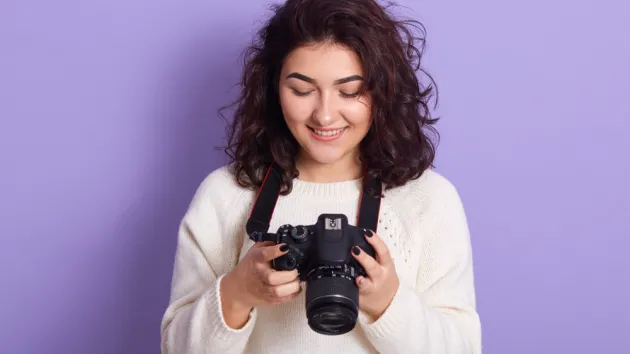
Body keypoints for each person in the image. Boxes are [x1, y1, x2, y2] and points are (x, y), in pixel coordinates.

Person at [160, 0, 481, 353]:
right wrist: (238, 291)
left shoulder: (429, 200)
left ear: (384, 91)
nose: (325, 116)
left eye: (349, 91)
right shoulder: (225, 195)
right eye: (302, 90)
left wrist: (388, 300)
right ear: (273, 88)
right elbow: (175, 348)